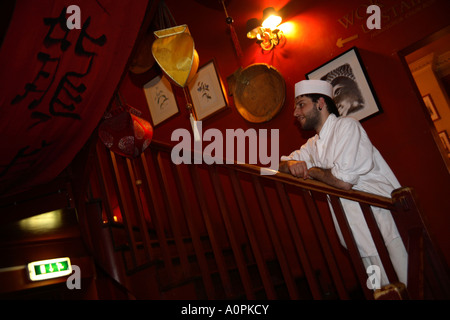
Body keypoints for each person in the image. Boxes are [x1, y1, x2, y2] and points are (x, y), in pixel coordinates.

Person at [278, 79, 408, 288]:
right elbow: (281, 164)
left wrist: (311, 171)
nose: (295, 112)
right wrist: (293, 163)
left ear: (321, 103)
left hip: (383, 221)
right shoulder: (312, 145)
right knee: (380, 290)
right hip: (357, 234)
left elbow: (343, 181)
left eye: (301, 104)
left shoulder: (348, 126)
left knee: (408, 283)